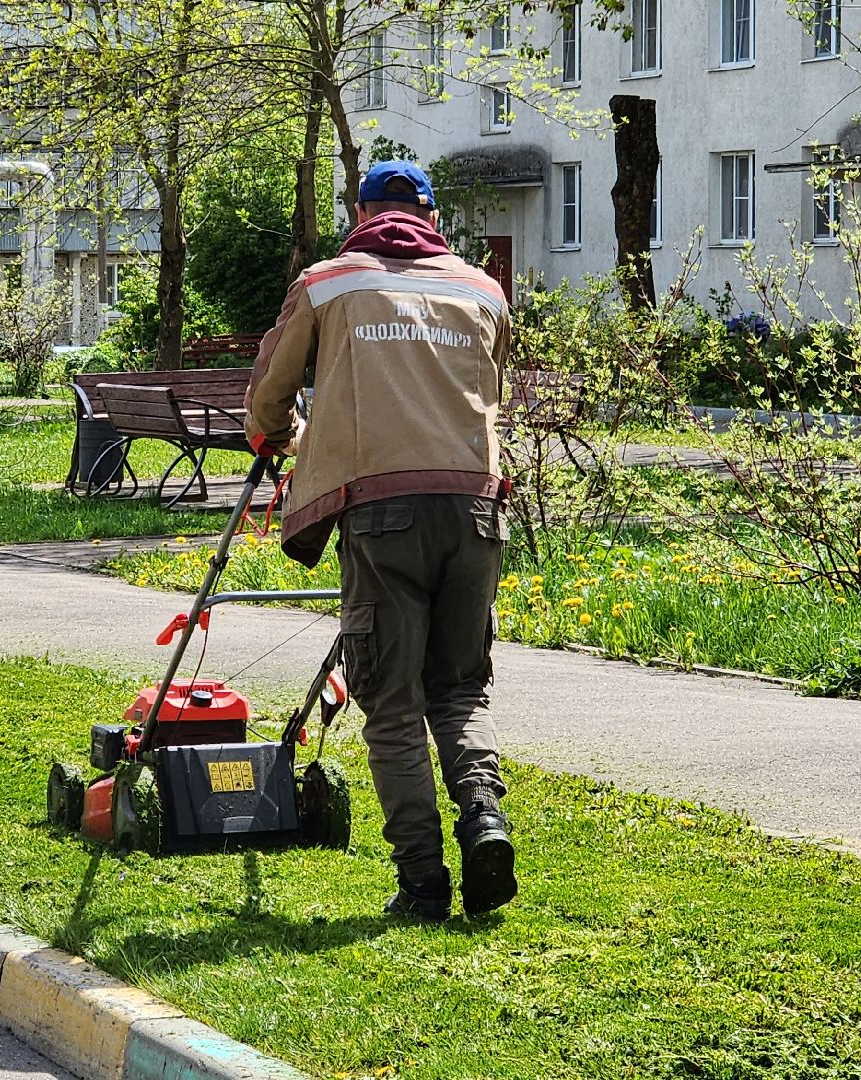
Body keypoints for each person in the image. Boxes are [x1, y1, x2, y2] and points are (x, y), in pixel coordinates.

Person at [244, 161, 516, 921]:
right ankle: (485, 817)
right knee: (459, 688)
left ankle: (423, 883)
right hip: (475, 510)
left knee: (392, 705)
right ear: (432, 218)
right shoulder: (484, 289)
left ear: (361, 211)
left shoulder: (327, 283)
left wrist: (280, 437)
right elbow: (491, 389)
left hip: (383, 514)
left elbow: (269, 396)